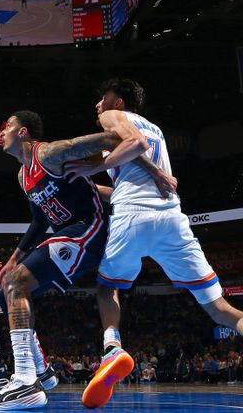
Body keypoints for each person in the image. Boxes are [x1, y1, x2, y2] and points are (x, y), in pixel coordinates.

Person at [64, 78, 243, 409]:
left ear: (119, 102)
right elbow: (129, 173)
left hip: (132, 215)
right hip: (171, 218)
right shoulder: (156, 129)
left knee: (107, 288)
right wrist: (89, 183)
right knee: (222, 312)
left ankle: (112, 349)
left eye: (103, 98)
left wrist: (99, 165)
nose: (98, 105)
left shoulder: (114, 120)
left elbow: (133, 144)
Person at [0, 110, 173, 410]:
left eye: (7, 127)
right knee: (8, 287)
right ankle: (41, 372)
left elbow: (115, 139)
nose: (1, 133)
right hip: (69, 233)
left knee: (18, 283)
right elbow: (40, 220)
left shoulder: (53, 153)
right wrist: (14, 258)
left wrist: (149, 173)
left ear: (23, 133)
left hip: (90, 229)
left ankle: (26, 380)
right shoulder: (23, 176)